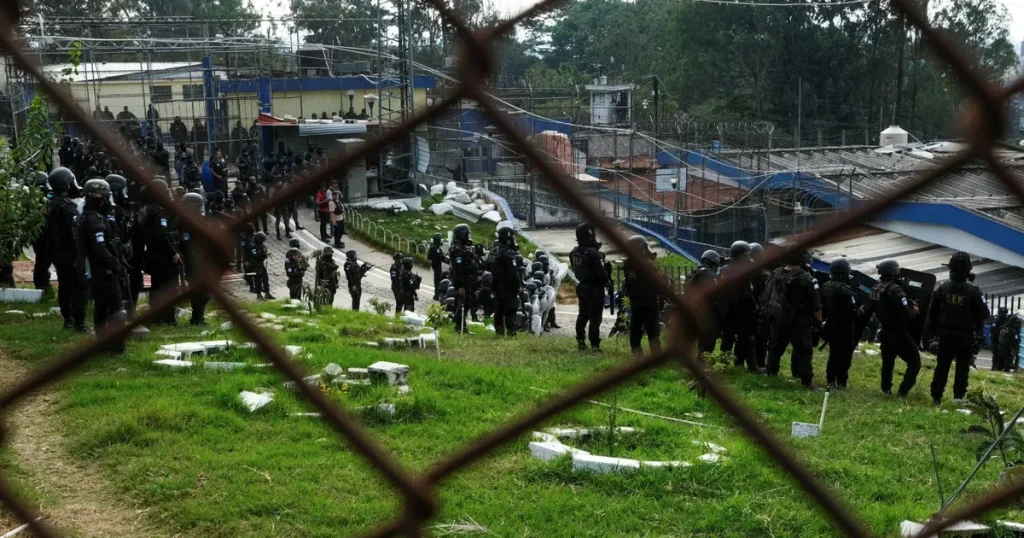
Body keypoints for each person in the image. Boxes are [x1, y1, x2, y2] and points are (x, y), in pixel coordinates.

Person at [926, 252, 990, 405]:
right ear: (968, 271)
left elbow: (932, 313)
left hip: (946, 334)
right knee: (962, 369)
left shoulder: (942, 288)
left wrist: (932, 332)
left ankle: (936, 397)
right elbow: (985, 313)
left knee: (942, 366)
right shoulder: (974, 291)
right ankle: (959, 398)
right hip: (966, 335)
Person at [77, 179, 127, 351]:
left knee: (101, 307)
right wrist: (115, 264)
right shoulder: (96, 220)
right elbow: (100, 248)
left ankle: (103, 344)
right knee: (116, 309)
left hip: (96, 270)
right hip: (104, 270)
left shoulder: (87, 216)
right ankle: (117, 347)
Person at [762, 249, 822, 388]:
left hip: (777, 317)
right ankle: (807, 382)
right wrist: (819, 322)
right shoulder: (806, 278)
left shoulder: (775, 273)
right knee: (804, 352)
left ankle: (771, 374)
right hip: (798, 322)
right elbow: (816, 306)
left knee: (775, 348)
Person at [863, 259, 920, 397]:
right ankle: (903, 391)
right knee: (915, 362)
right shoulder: (896, 290)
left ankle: (886, 389)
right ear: (894, 273)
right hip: (899, 332)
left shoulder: (875, 289)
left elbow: (869, 307)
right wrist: (915, 309)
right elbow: (906, 313)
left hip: (884, 330)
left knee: (888, 363)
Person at [47, 168, 88, 332]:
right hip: (71, 252)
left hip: (57, 252)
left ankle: (68, 320)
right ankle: (80, 323)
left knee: (64, 286)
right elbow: (75, 231)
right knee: (80, 286)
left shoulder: (50, 204)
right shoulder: (68, 207)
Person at [140, 179, 181, 325]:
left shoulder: (144, 209)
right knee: (169, 286)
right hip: (162, 255)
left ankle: (156, 316)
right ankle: (169, 318)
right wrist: (173, 253)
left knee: (156, 286)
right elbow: (162, 236)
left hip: (150, 254)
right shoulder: (158, 212)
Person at [820, 257, 860, 389]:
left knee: (833, 354)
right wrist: (860, 311)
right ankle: (841, 382)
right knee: (845, 356)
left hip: (830, 326)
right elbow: (852, 312)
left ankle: (830, 379)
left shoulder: (825, 287)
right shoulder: (847, 291)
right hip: (845, 328)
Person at [569, 223, 609, 352]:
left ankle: (580, 341)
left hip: (582, 287)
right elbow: (602, 274)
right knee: (595, 318)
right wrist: (607, 282)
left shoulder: (574, 252)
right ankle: (595, 345)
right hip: (595, 289)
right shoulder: (594, 254)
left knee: (583, 315)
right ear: (590, 235)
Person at [719, 241, 757, 369]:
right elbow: (747, 293)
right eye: (747, 255)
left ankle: (722, 365)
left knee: (727, 338)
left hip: (726, 309)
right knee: (747, 339)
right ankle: (751, 367)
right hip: (742, 309)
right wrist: (754, 306)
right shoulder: (743, 270)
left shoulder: (724, 269)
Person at [623, 235, 664, 356]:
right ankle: (656, 354)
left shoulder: (628, 264)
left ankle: (636, 351)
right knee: (653, 329)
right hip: (649, 301)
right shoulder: (647, 266)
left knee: (635, 327)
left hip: (635, 300)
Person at [179, 192, 210, 325]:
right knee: (201, 292)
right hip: (193, 264)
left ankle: (198, 317)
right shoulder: (184, 225)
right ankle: (197, 317)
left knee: (205, 292)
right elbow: (187, 246)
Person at [684, 250, 721, 354]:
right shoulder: (708, 275)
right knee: (708, 342)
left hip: (691, 311)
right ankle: (702, 360)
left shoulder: (693, 274)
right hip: (706, 312)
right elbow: (716, 294)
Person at [493, 226, 521, 337]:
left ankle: (499, 331)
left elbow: (488, 267)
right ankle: (511, 332)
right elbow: (513, 273)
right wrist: (518, 286)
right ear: (508, 239)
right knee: (510, 309)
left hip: (496, 285)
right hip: (508, 286)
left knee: (499, 309)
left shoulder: (493, 251)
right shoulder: (508, 254)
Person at [449, 224, 477, 332]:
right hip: (461, 280)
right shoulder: (457, 250)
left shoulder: (463, 247)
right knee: (461, 303)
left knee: (467, 303)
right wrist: (461, 285)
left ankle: (462, 325)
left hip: (467, 279)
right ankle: (459, 326)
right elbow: (459, 268)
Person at [32, 172, 53, 291]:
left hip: (45, 233)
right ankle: (41, 285)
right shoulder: (35, 201)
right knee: (42, 259)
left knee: (43, 260)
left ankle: (43, 283)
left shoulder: (44, 199)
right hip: (42, 234)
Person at [251, 231, 273, 301]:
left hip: (261, 264)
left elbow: (264, 250)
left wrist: (265, 253)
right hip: (255, 265)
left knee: (265, 278)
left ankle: (267, 293)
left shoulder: (261, 244)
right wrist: (264, 255)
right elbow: (255, 256)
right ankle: (259, 295)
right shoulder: (253, 245)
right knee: (257, 280)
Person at [428, 233, 446, 300]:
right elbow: (439, 256)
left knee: (438, 279)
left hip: (436, 265)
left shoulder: (435, 247)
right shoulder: (435, 248)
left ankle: (437, 294)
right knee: (438, 280)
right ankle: (437, 295)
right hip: (436, 265)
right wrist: (443, 255)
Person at [992, 307, 1010, 372]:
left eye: (1004, 313)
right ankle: (994, 366)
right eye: (1002, 313)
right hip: (996, 339)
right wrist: (1000, 328)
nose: (1003, 315)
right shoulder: (997, 320)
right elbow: (993, 330)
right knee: (996, 353)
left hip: (1003, 340)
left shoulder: (1007, 320)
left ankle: (1000, 367)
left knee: (1002, 354)